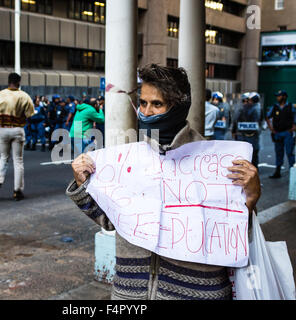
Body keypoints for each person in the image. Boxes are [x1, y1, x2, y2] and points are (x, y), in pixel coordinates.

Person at [66, 64, 261, 300]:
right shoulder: (128, 160)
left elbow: (233, 231)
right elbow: (109, 222)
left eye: (157, 104)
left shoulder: (218, 163)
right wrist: (83, 186)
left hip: (197, 294)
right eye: (143, 103)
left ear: (178, 107)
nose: (146, 112)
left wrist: (250, 199)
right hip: (130, 295)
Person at [0, 73, 35, 201]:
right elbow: (30, 114)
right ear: (19, 82)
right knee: (18, 160)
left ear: (8, 81)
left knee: (3, 158)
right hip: (18, 129)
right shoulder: (24, 96)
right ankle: (17, 190)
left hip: (3, 129)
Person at [266, 90, 296, 179]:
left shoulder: (290, 106)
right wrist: (271, 129)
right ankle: (277, 171)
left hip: (287, 133)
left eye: (279, 96)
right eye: (277, 96)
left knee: (289, 152)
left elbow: (295, 118)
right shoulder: (274, 107)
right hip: (278, 133)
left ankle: (293, 172)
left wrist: (293, 128)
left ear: (284, 97)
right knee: (279, 152)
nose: (277, 98)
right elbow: (267, 117)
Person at [232, 92, 262, 168]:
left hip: (250, 134)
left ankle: (252, 169)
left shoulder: (254, 108)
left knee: (251, 153)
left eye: (247, 100)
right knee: (247, 153)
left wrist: (234, 131)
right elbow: (236, 120)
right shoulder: (242, 109)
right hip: (245, 134)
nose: (246, 102)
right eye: (244, 101)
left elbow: (260, 121)